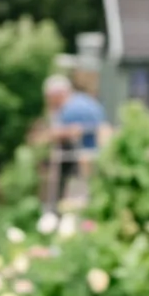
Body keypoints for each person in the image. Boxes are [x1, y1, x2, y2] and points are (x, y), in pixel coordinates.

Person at [40, 74, 107, 209]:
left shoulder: (70, 109)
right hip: (97, 155)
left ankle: (55, 207)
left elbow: (65, 132)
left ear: (57, 95)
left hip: (83, 157)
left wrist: (46, 136)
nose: (48, 102)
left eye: (49, 97)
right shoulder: (85, 101)